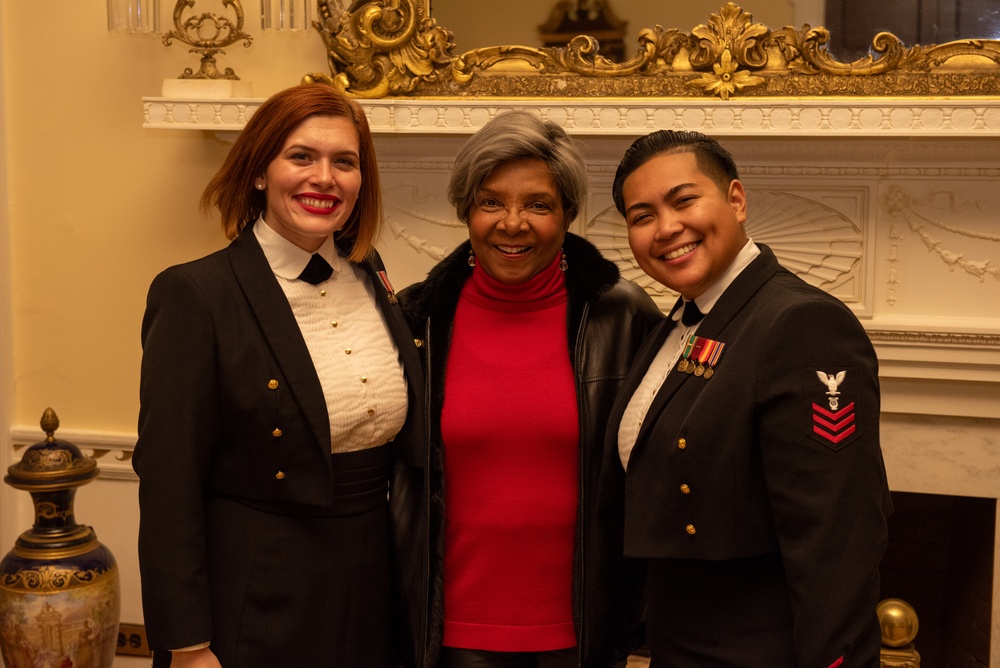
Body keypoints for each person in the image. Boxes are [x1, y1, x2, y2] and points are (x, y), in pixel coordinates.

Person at [133, 83, 424, 667]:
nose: (325, 178)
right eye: (301, 156)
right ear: (260, 172)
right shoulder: (196, 293)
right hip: (256, 591)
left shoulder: (373, 278)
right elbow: (169, 482)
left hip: (371, 583)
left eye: (345, 162)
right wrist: (188, 645)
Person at [606, 129, 893, 667]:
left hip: (762, 648)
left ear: (736, 200)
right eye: (642, 216)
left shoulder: (802, 323)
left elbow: (836, 536)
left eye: (684, 200)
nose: (667, 228)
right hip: (678, 640)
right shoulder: (681, 322)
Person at [392, 111, 663, 668]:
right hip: (451, 632)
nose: (512, 224)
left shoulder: (623, 316)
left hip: (583, 629)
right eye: (491, 202)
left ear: (567, 214)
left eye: (538, 205)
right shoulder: (417, 320)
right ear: (465, 209)